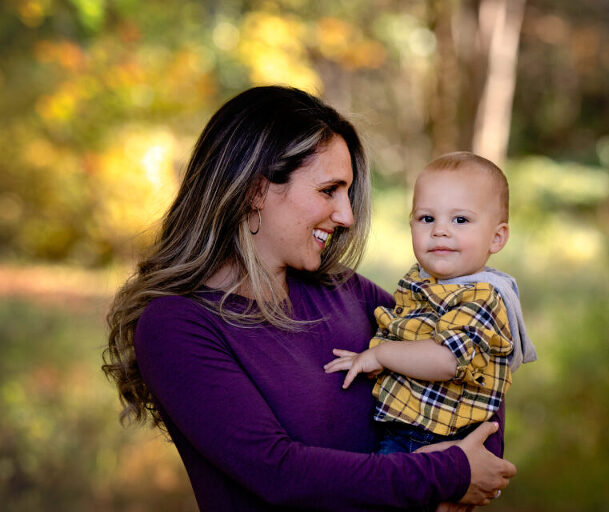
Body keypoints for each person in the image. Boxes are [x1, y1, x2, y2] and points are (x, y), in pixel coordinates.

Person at [102, 86, 517, 512]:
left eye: (347, 193)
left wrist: (458, 488)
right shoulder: (177, 326)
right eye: (329, 190)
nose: (347, 216)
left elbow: (473, 359)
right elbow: (278, 474)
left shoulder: (344, 291)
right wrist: (445, 475)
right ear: (255, 190)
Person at [324, 152, 537, 456]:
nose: (440, 230)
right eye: (427, 218)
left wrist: (381, 356)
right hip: (406, 426)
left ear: (497, 238)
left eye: (460, 220)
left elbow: (447, 360)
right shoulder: (421, 280)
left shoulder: (482, 297)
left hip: (434, 438)